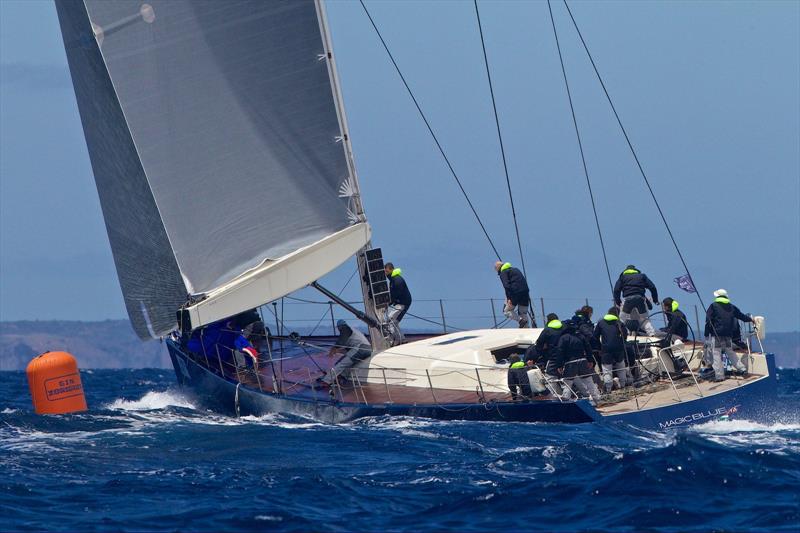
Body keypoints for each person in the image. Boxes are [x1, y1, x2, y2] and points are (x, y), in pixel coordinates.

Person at [704, 289, 755, 381]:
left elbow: (708, 321)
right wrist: (751, 319)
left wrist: (706, 335)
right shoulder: (731, 307)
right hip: (728, 335)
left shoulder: (713, 306)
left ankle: (719, 376)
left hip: (717, 335)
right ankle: (742, 369)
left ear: (717, 296)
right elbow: (741, 316)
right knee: (730, 352)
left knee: (716, 354)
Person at [554, 320, 601, 403]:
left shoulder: (563, 338)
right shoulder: (581, 336)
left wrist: (559, 365)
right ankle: (597, 399)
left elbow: (560, 352)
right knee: (589, 381)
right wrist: (590, 360)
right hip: (582, 361)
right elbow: (588, 348)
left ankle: (565, 401)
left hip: (570, 363)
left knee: (568, 383)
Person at [322, 320, 373, 384]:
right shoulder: (353, 331)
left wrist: (333, 349)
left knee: (342, 363)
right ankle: (340, 376)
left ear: (340, 326)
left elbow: (340, 342)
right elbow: (348, 347)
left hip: (360, 348)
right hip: (367, 349)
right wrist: (338, 350)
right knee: (347, 362)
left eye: (338, 328)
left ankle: (326, 381)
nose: (338, 329)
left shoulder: (345, 329)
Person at [592, 307, 630, 393]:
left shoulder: (601, 323)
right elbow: (625, 334)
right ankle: (623, 386)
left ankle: (608, 389)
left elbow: (595, 337)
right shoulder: (619, 323)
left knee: (607, 369)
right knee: (621, 367)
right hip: (618, 349)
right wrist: (621, 343)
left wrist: (599, 347)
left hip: (606, 349)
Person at [612, 264, 658, 335]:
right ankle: (652, 334)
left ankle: (624, 334)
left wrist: (618, 302)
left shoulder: (622, 278)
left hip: (628, 300)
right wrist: (655, 300)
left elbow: (616, 290)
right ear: (635, 270)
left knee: (622, 319)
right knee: (644, 319)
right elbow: (652, 287)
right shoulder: (642, 276)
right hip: (640, 299)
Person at [495, 261, 530, 328]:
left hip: (515, 293)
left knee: (506, 311)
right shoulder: (515, 269)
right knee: (523, 312)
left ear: (498, 268)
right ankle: (526, 328)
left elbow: (506, 286)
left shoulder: (503, 273)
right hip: (525, 292)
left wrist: (509, 298)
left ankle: (520, 321)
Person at [384, 262, 412, 345]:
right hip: (399, 303)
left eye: (386, 271)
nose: (385, 273)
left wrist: (389, 303)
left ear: (391, 270)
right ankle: (400, 339)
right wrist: (390, 302)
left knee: (391, 320)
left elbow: (396, 294)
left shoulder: (397, 280)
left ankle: (397, 339)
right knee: (393, 321)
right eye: (385, 272)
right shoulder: (392, 280)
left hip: (403, 303)